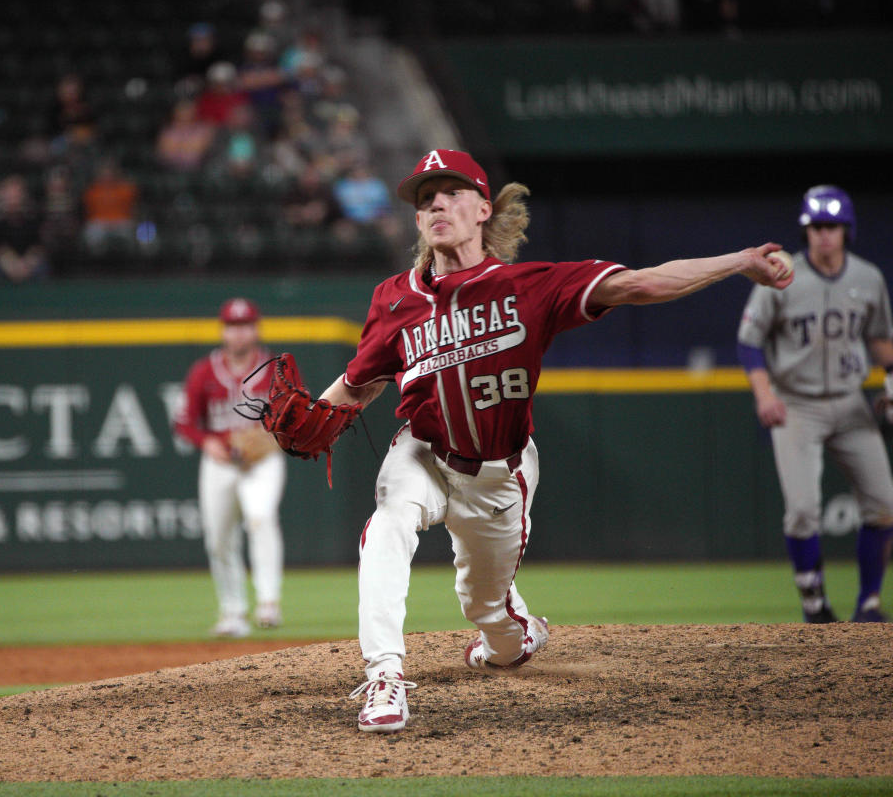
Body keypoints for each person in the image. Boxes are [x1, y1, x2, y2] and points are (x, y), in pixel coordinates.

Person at [302, 149, 793, 733]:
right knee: (387, 524)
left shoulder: (528, 287)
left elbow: (640, 284)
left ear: (484, 209)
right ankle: (384, 678)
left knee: (489, 615)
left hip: (497, 476)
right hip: (423, 452)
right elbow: (359, 383)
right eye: (425, 198)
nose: (436, 203)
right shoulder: (394, 299)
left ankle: (513, 636)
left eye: (452, 192)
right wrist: (312, 413)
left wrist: (738, 261)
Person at [737, 184, 893, 624]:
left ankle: (868, 604)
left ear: (847, 230)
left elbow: (882, 344)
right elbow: (750, 342)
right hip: (796, 404)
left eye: (832, 226)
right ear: (806, 231)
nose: (824, 235)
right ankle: (814, 606)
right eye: (816, 226)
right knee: (803, 512)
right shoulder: (782, 277)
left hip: (850, 401)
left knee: (884, 505)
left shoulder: (867, 278)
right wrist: (765, 394)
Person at [174, 298, 286, 638]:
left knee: (260, 517)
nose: (238, 333)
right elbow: (185, 422)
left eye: (245, 325)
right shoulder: (204, 372)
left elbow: (297, 415)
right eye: (232, 326)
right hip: (220, 461)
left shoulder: (276, 369)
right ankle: (233, 612)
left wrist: (274, 436)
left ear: (256, 329)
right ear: (223, 331)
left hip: (263, 461)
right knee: (219, 539)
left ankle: (268, 602)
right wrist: (206, 442)